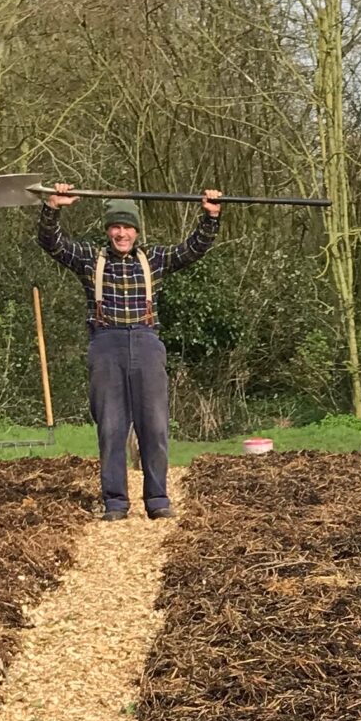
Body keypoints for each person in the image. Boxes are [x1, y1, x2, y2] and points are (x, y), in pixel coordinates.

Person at [39, 182, 224, 520]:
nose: (121, 233)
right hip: (105, 345)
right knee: (111, 426)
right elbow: (51, 243)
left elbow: (192, 249)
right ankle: (115, 502)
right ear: (108, 230)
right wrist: (53, 207)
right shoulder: (89, 259)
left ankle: (157, 499)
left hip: (146, 343)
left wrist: (210, 216)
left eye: (127, 227)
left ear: (136, 231)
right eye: (115, 227)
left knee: (154, 426)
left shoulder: (153, 259)